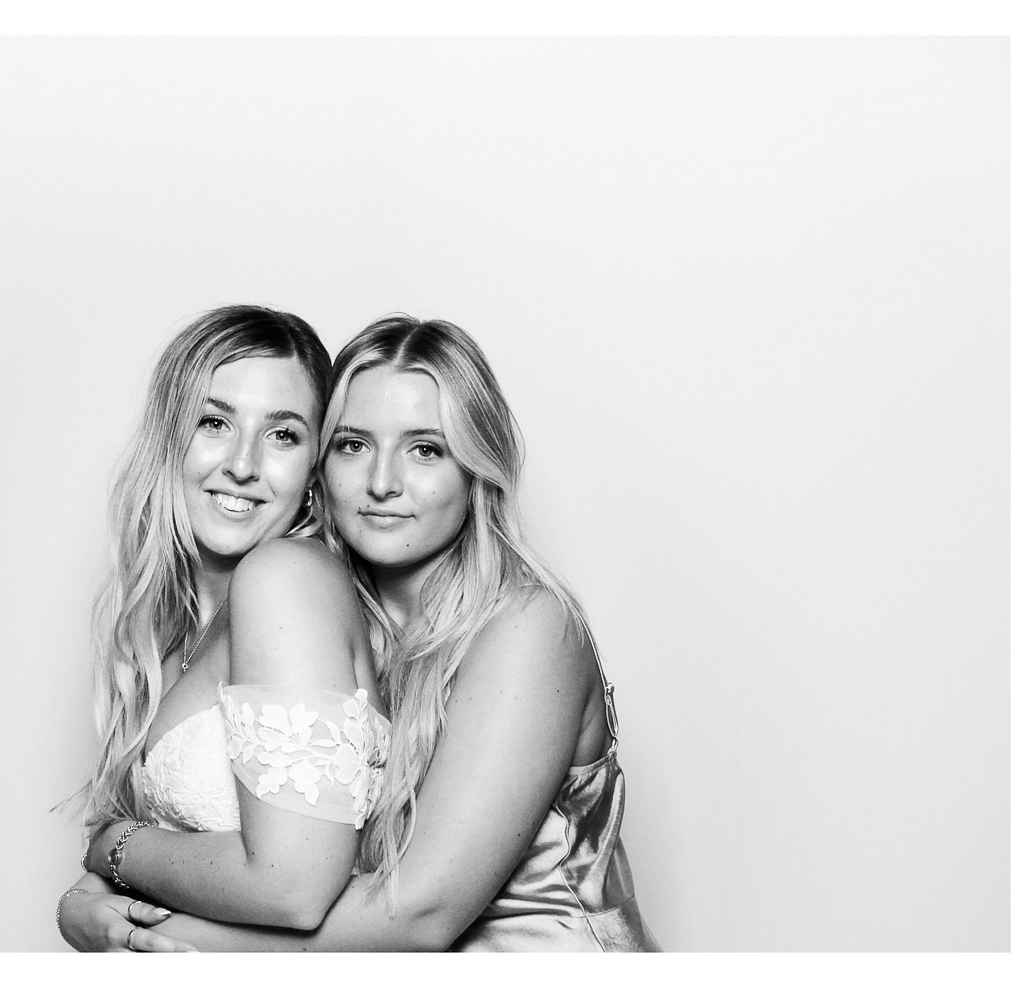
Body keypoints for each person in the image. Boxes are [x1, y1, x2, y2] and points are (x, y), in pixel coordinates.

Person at [61, 314, 658, 951]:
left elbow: (418, 915)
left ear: (478, 468)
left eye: (426, 449)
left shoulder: (529, 627)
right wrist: (94, 900)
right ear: (322, 469)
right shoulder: (331, 617)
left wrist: (120, 884)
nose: (381, 483)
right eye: (353, 445)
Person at [55, 305, 391, 951]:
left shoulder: (284, 579)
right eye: (214, 422)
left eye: (283, 435)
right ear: (169, 439)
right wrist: (82, 907)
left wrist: (110, 848)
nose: (242, 464)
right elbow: (184, 858)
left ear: (314, 471)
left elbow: (292, 888)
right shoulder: (171, 631)